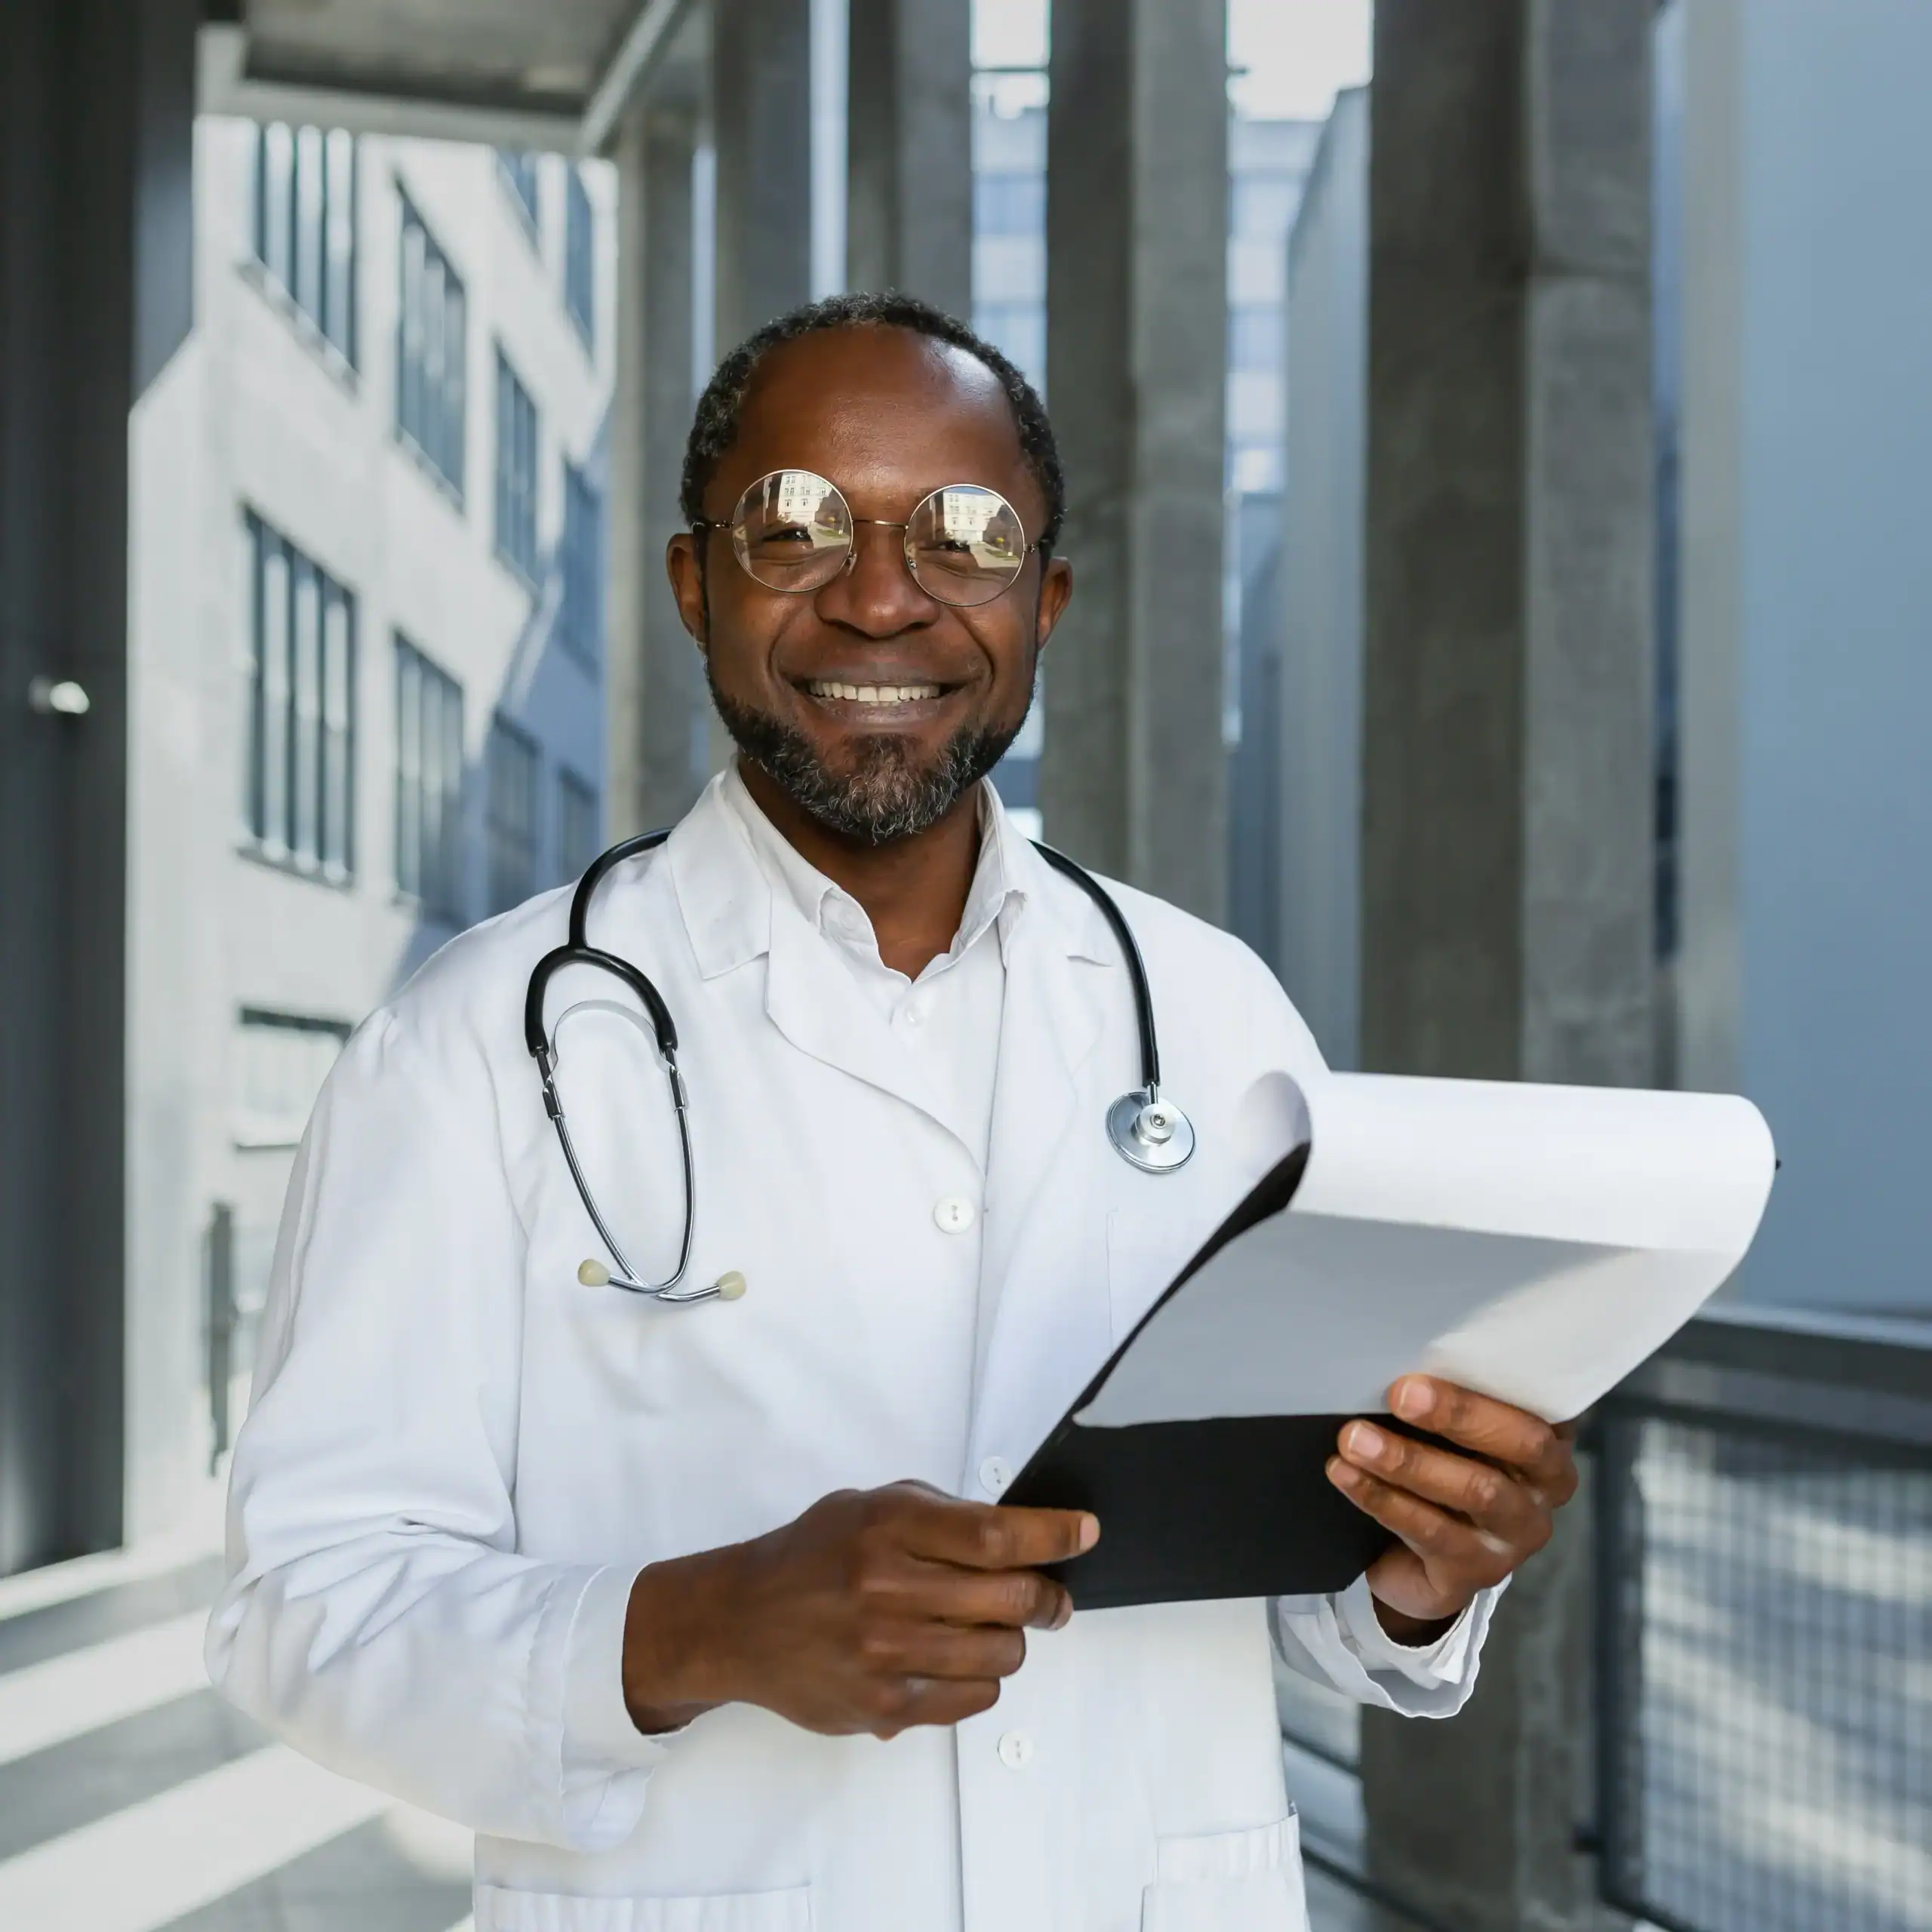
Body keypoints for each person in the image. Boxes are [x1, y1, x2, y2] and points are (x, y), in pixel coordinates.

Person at [208, 292, 1577, 1932]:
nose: (877, 597)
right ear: (690, 581)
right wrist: (696, 1625)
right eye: (793, 526)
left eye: (964, 533)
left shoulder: (1212, 1017)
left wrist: (1419, 1567)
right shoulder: (470, 1045)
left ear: (1045, 598)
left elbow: (1299, 1594)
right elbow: (304, 1605)